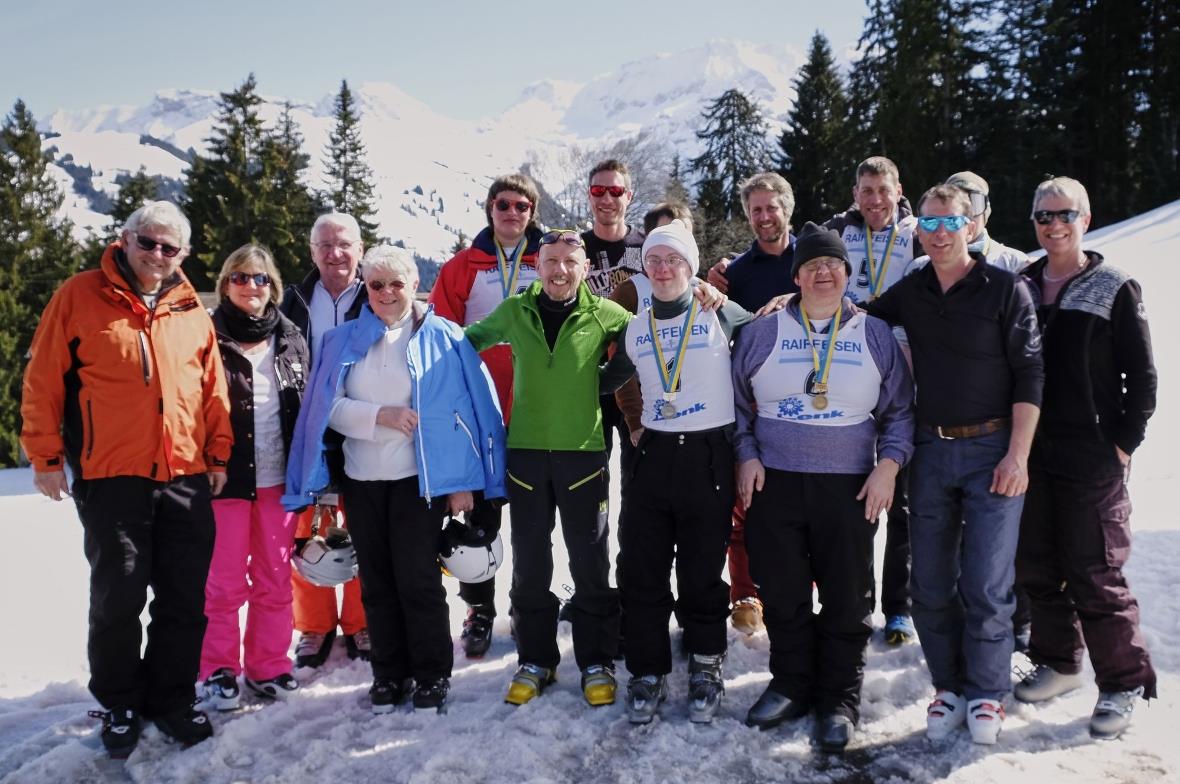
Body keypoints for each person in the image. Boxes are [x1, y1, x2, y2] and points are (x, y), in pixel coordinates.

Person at [20, 201, 232, 755]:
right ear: (126, 238)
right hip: (111, 475)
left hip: (185, 474)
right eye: (148, 242)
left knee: (184, 598)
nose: (157, 255)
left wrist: (218, 455)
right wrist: (45, 458)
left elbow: (212, 390)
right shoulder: (80, 295)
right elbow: (43, 378)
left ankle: (172, 699)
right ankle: (119, 702)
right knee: (118, 596)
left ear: (182, 254)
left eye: (169, 248)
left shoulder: (189, 307)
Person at [284, 246, 507, 714]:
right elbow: (325, 408)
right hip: (362, 479)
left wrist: (463, 483)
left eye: (396, 284)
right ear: (366, 288)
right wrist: (377, 416)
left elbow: (469, 411)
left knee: (419, 581)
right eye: (376, 284)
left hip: (419, 481)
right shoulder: (343, 339)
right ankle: (388, 673)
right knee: (377, 584)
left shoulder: (445, 336)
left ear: (414, 285)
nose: (387, 293)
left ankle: (430, 674)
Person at [865, 184, 1043, 745]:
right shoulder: (912, 289)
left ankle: (988, 692)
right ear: (917, 228)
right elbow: (858, 317)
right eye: (930, 223)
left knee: (988, 582)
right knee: (932, 581)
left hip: (993, 449)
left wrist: (1019, 454)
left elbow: (1031, 375)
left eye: (951, 223)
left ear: (971, 226)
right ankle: (948, 686)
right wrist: (783, 306)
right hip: (932, 448)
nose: (940, 233)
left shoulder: (1005, 288)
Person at [732, 222, 914, 753]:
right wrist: (746, 454)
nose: (824, 273)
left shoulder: (874, 333)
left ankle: (838, 696)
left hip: (850, 484)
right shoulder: (763, 331)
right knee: (783, 593)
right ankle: (791, 683)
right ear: (797, 276)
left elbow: (901, 410)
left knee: (845, 597)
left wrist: (889, 466)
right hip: (776, 481)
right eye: (812, 265)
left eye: (833, 264)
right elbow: (737, 404)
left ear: (846, 272)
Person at [465, 229, 634, 707]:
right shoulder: (516, 311)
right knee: (531, 563)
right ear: (537, 267)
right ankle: (536, 659)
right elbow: (469, 342)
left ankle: (596, 660)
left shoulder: (606, 312)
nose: (560, 270)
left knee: (590, 560)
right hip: (526, 455)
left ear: (584, 269)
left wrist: (600, 384)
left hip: (583, 454)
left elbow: (643, 345)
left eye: (569, 262)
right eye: (551, 261)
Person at [1014, 176, 1156, 740]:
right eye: (1043, 216)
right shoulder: (1021, 284)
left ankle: (1123, 682)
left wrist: (1122, 442)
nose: (1053, 225)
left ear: (1086, 219)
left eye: (1064, 215)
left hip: (1091, 452)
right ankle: (1061, 663)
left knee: (1095, 569)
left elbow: (1141, 378)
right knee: (1038, 566)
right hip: (1030, 451)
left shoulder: (1113, 285)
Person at [610, 220, 751, 725]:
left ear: (691, 266)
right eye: (654, 260)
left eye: (673, 259)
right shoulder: (633, 323)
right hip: (654, 455)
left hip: (708, 455)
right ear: (645, 269)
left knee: (700, 570)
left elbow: (770, 332)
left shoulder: (720, 313)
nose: (663, 268)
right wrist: (632, 423)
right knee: (641, 568)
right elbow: (611, 378)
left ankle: (706, 662)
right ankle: (647, 669)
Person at [429, 173, 542, 658]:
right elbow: (439, 338)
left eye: (521, 205)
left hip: (537, 410)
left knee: (535, 521)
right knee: (479, 516)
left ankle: (527, 604)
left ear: (532, 213)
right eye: (503, 204)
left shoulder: (550, 261)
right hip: (479, 415)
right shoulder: (462, 267)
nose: (512, 213)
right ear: (489, 209)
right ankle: (479, 608)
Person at [198, 245, 309, 710]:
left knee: (274, 578)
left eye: (260, 279)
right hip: (224, 477)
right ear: (225, 284)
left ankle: (269, 666)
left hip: (278, 479)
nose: (251, 286)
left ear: (273, 287)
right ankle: (218, 670)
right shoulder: (205, 333)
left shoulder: (290, 336)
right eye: (240, 277)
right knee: (222, 583)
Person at [822, 156, 923, 646]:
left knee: (899, 492)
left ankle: (899, 609)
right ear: (855, 193)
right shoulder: (838, 231)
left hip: (905, 367)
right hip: (850, 366)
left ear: (897, 188)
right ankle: (854, 599)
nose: (875, 200)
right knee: (853, 491)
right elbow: (799, 261)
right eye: (866, 190)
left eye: (882, 189)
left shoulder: (918, 232)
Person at [705, 171, 801, 636]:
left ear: (788, 208)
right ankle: (744, 592)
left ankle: (802, 589)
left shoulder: (817, 258)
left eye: (771, 207)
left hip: (809, 401)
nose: (764, 217)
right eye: (755, 210)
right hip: (753, 401)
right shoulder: (736, 273)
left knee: (799, 505)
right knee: (744, 503)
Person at [279, 212, 369, 668]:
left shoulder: (375, 294)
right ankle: (314, 626)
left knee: (364, 522)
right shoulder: (292, 299)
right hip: (307, 426)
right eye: (325, 245)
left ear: (361, 249)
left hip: (362, 420)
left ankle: (361, 623)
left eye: (344, 244)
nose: (335, 254)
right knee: (307, 526)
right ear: (312, 251)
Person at [944, 171, 1029, 273]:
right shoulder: (925, 265)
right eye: (955, 205)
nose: (966, 214)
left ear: (986, 211)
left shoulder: (1014, 263)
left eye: (974, 204)